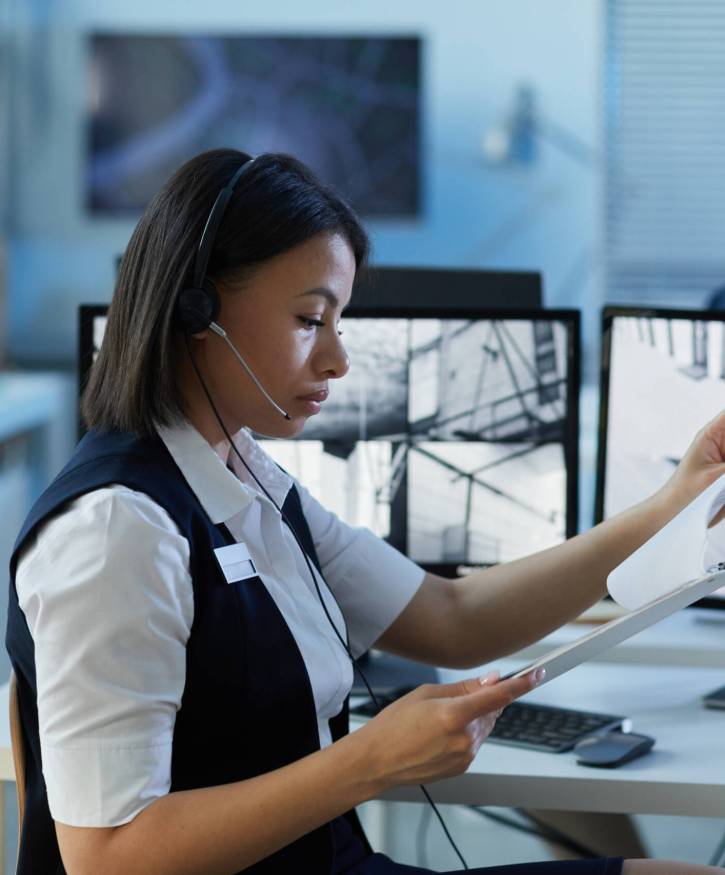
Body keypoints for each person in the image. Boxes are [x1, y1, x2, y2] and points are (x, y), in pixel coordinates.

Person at [6, 149, 725, 875]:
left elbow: (454, 616)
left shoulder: (247, 478)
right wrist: (369, 761)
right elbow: (107, 860)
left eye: (337, 321)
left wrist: (672, 503)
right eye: (309, 319)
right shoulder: (115, 531)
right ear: (198, 310)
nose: (336, 360)